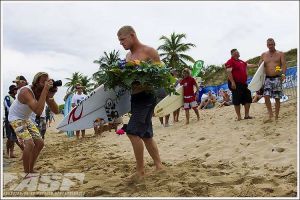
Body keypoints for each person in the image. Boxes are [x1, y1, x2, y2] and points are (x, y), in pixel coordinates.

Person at [117, 25, 164, 181]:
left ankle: (140, 171)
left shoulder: (149, 51)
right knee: (146, 135)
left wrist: (144, 81)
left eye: (122, 39)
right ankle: (159, 166)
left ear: (132, 35)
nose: (121, 43)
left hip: (147, 96)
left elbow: (161, 76)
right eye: (119, 41)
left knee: (132, 132)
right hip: (135, 98)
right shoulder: (128, 58)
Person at [8, 72, 59, 174]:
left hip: (26, 119)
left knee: (40, 143)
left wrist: (51, 95)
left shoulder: (41, 91)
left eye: (47, 81)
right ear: (35, 83)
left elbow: (56, 110)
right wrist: (45, 90)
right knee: (30, 144)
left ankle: (31, 169)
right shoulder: (25, 91)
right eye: (43, 82)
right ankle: (26, 172)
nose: (46, 84)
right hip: (15, 118)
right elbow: (38, 112)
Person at [258, 38, 287, 122]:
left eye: (272, 44)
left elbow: (283, 65)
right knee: (266, 96)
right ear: (267, 45)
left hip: (277, 77)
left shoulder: (280, 54)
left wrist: (283, 74)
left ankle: (276, 116)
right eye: (269, 45)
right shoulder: (263, 54)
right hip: (267, 78)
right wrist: (259, 64)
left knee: (277, 98)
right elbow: (260, 65)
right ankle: (270, 114)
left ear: (274, 44)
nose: (270, 46)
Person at [225, 49, 257, 121]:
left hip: (243, 83)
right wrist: (232, 82)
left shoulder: (241, 61)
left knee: (248, 97)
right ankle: (239, 117)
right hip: (235, 83)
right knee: (237, 99)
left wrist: (258, 65)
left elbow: (248, 65)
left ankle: (247, 115)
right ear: (233, 54)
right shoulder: (230, 61)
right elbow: (229, 72)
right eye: (237, 52)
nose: (238, 53)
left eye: (238, 52)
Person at [3, 85, 19, 158]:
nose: (16, 90)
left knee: (14, 137)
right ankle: (7, 152)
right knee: (9, 137)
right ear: (12, 90)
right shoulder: (7, 97)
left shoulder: (16, 98)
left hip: (15, 119)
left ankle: (12, 153)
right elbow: (8, 107)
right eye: (15, 89)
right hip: (9, 118)